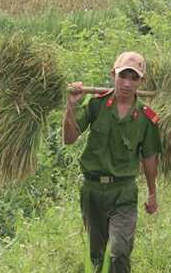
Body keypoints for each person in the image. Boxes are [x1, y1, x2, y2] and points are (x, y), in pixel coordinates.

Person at [64, 52, 163, 273]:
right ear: (113, 74)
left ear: (142, 81)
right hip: (92, 190)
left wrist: (152, 193)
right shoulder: (95, 104)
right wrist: (71, 105)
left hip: (123, 191)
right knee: (97, 255)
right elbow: (69, 139)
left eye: (134, 78)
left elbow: (149, 156)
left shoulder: (147, 117)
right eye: (123, 76)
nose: (127, 83)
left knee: (119, 251)